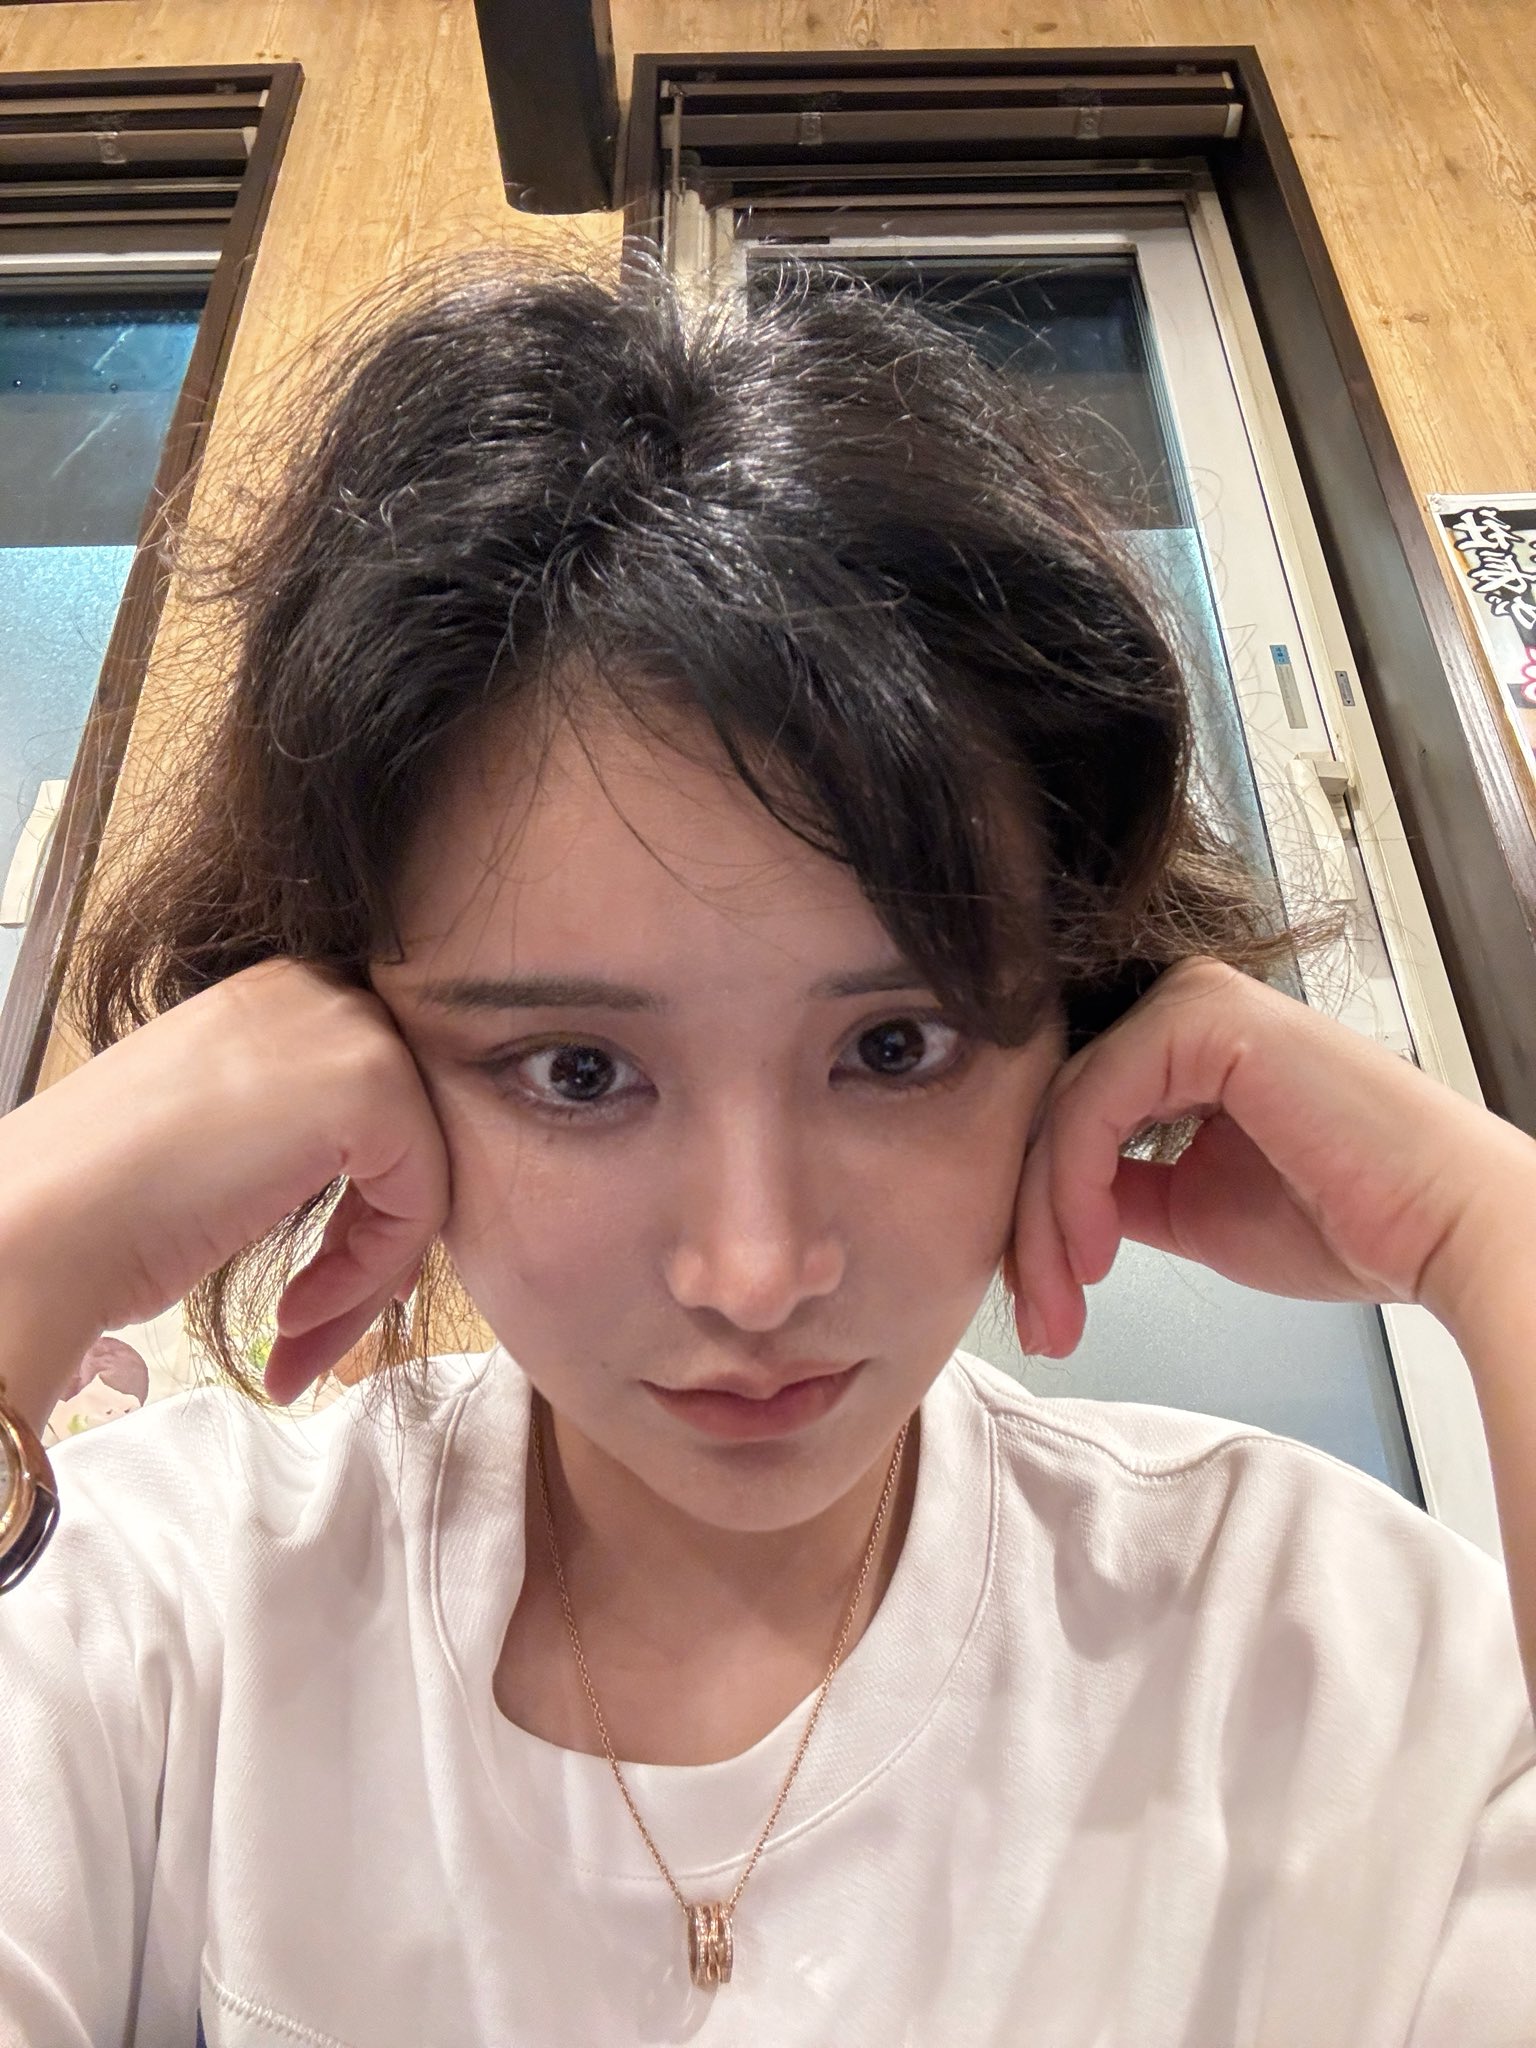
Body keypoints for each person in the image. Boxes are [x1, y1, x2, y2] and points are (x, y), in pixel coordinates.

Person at [0, 256, 1533, 2048]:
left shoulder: (1326, 1657)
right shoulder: (174, 1610)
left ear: (1087, 1024)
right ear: (350, 1049)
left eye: (894, 1047)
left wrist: (1495, 1235)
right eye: (578, 1069)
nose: (754, 1270)